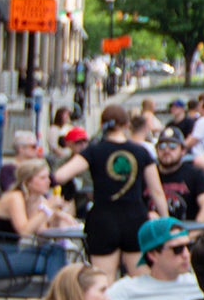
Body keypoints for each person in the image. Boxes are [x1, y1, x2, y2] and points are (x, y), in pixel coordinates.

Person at [55, 105, 166, 280]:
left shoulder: (93, 151)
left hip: (103, 219)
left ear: (102, 125)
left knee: (103, 280)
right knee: (141, 279)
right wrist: (165, 219)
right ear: (126, 124)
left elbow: (61, 175)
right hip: (134, 218)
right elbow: (157, 191)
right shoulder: (141, 152)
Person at [105, 217, 204, 300]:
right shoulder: (127, 288)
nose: (186, 254)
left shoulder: (201, 283)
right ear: (152, 254)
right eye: (177, 249)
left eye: (189, 246)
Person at [0, 159, 73, 282]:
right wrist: (46, 209)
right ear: (28, 182)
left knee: (56, 250)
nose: (48, 182)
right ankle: (58, 295)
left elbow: (42, 236)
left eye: (48, 177)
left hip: (11, 252)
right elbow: (24, 231)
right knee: (54, 258)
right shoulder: (14, 197)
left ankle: (57, 294)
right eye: (42, 178)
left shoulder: (36, 200)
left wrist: (56, 217)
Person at [154, 133, 204, 225]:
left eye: (172, 146)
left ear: (183, 151)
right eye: (162, 146)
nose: (166, 150)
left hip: (186, 230)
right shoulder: (149, 174)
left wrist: (193, 232)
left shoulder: (195, 174)